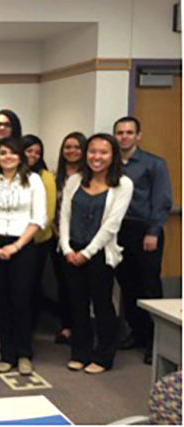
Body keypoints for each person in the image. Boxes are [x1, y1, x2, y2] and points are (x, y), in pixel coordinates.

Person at [59, 133, 133, 374]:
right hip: (72, 250)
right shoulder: (75, 180)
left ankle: (103, 356)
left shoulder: (123, 184)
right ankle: (80, 353)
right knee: (77, 305)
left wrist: (87, 252)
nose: (97, 157)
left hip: (100, 254)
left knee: (102, 305)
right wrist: (68, 248)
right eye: (92, 151)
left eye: (103, 152)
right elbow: (64, 216)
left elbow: (112, 225)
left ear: (113, 156)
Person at [0, 137, 46, 375]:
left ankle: (24, 353)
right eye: (3, 152)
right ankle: (6, 354)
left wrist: (16, 246)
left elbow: (39, 218)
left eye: (13, 153)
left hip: (23, 245)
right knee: (1, 301)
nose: (8, 157)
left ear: (21, 156)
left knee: (21, 300)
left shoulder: (33, 181)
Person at [113, 116, 172, 365]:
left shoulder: (153, 164)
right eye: (120, 132)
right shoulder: (111, 163)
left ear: (138, 135)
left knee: (149, 287)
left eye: (129, 132)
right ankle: (137, 333)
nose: (124, 136)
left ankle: (154, 341)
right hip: (119, 230)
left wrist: (153, 231)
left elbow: (162, 200)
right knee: (127, 286)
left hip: (145, 231)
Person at [52, 132, 86, 345]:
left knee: (82, 287)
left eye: (76, 147)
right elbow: (51, 209)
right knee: (63, 284)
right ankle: (66, 326)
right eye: (67, 147)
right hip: (57, 239)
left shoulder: (89, 176)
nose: (71, 151)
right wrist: (59, 235)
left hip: (83, 239)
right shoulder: (55, 176)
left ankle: (81, 327)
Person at [22, 135, 56, 330]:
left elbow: (48, 214)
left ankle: (31, 325)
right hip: (13, 240)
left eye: (37, 152)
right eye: (29, 151)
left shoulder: (45, 176)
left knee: (31, 285)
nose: (33, 155)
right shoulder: (12, 174)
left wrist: (29, 237)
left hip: (37, 240)